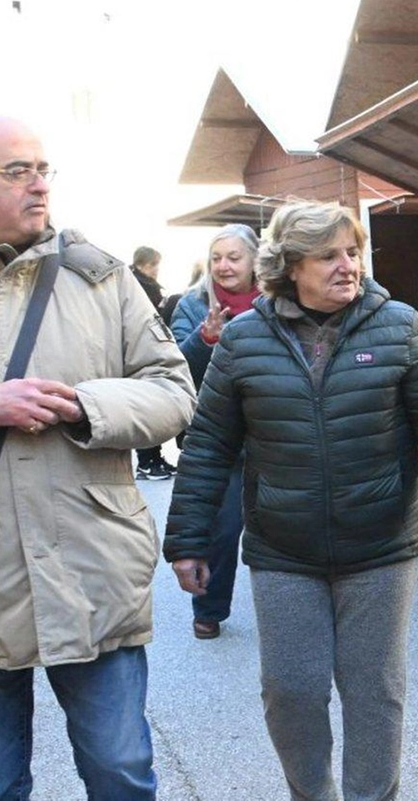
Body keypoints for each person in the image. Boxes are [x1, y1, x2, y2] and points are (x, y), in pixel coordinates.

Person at [164, 201, 418, 801]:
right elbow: (208, 445)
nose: (348, 266)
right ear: (290, 266)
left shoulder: (397, 327)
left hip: (381, 544)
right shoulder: (242, 341)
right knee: (290, 688)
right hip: (284, 549)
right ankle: (311, 793)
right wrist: (187, 538)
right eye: (329, 255)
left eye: (353, 252)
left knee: (374, 690)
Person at [0, 115, 196, 800]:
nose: (41, 185)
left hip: (91, 569)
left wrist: (86, 407)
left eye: (44, 169)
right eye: (18, 171)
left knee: (121, 774)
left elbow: (175, 392)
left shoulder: (100, 277)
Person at [166, 223, 261, 640]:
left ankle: (292, 611)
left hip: (272, 431)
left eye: (233, 257)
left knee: (287, 530)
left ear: (255, 261)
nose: (223, 266)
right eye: (217, 258)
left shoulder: (278, 302)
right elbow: (173, 367)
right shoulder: (191, 305)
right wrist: (205, 338)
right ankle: (209, 607)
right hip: (220, 439)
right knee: (221, 531)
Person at [131, 245, 177, 480]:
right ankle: (147, 463)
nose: (157, 270)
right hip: (140, 353)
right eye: (154, 265)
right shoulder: (139, 286)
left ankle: (154, 459)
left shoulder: (143, 285)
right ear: (143, 264)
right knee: (145, 409)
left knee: (152, 407)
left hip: (147, 352)